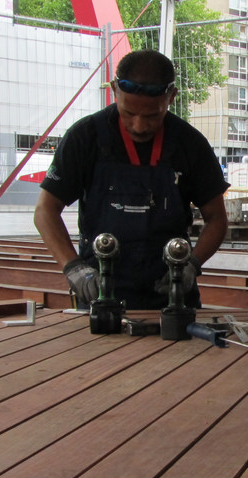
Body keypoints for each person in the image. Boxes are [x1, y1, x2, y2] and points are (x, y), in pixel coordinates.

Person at [34, 49, 229, 310]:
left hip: (172, 298)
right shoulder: (84, 138)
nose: (139, 126)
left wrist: (192, 265)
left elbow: (216, 218)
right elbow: (45, 211)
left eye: (152, 116)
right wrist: (74, 268)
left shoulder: (190, 144)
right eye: (128, 113)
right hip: (100, 295)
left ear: (171, 97)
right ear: (114, 89)